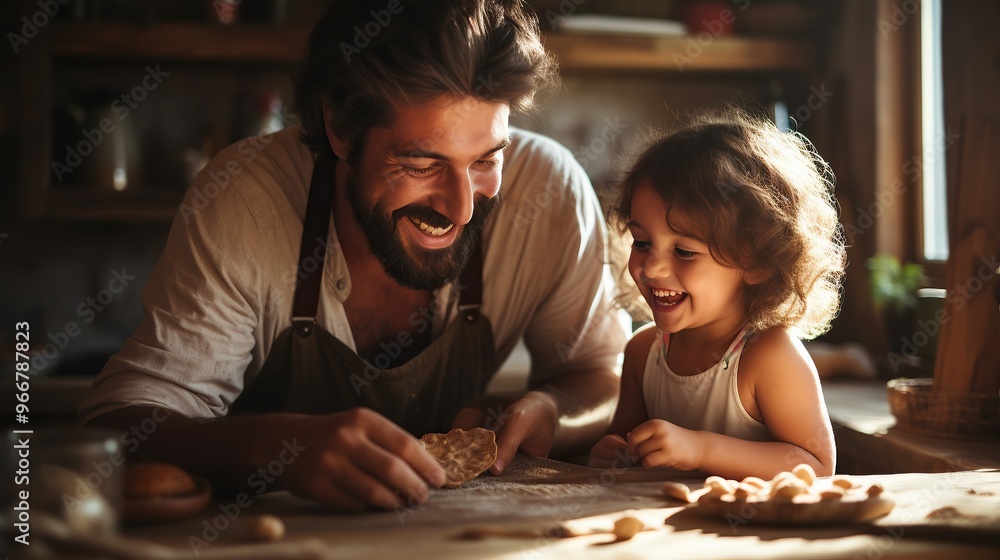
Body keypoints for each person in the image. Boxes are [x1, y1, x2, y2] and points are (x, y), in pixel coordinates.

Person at [79, 0, 627, 512]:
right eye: (420, 164)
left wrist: (552, 410)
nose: (461, 209)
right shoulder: (245, 197)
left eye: (486, 159)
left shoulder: (550, 193)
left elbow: (601, 373)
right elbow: (115, 428)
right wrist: (276, 449)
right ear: (341, 129)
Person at [588, 110, 846, 480]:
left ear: (757, 263)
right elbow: (625, 444)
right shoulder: (643, 353)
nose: (651, 268)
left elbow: (817, 467)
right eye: (642, 242)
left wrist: (699, 449)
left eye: (684, 251)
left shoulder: (769, 357)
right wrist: (611, 452)